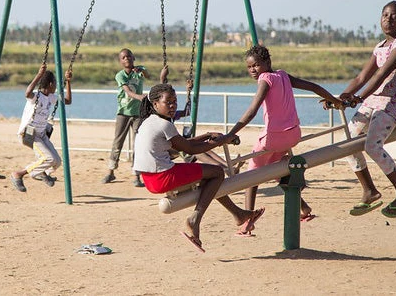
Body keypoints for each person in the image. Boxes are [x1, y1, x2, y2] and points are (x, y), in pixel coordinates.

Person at [214, 44, 341, 236]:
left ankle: (248, 220)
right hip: (293, 135)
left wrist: (230, 134)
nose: (253, 70)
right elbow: (313, 87)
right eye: (249, 67)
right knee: (278, 171)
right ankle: (304, 208)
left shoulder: (265, 79)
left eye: (256, 65)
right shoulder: (283, 75)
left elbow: (252, 110)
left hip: (273, 138)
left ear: (267, 62)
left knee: (251, 177)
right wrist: (335, 101)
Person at [133, 83, 265, 253]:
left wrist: (207, 136)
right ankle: (195, 219)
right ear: (155, 104)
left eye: (175, 101)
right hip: (164, 177)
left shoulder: (148, 122)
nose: (173, 106)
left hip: (150, 180)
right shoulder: (164, 125)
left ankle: (239, 215)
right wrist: (222, 140)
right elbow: (190, 149)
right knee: (217, 173)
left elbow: (181, 144)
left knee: (207, 181)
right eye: (168, 102)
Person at [338, 0, 396, 218]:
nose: (389, 19)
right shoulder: (379, 46)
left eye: (394, 16)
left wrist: (358, 97)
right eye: (385, 15)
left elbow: (381, 74)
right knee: (347, 142)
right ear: (380, 19)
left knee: (372, 145)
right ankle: (369, 190)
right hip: (373, 100)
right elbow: (362, 77)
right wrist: (342, 97)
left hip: (394, 101)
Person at [103, 48, 166, 187]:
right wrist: (140, 97)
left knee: (137, 143)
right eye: (124, 57)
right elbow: (127, 91)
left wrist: (141, 70)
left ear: (133, 58)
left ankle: (136, 174)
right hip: (123, 112)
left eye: (129, 56)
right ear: (120, 61)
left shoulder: (139, 71)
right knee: (118, 142)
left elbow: (148, 75)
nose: (127, 59)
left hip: (138, 113)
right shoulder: (120, 75)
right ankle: (111, 171)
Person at [10, 64, 72, 193]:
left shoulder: (51, 97)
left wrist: (68, 82)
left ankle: (41, 173)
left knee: (57, 161)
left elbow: (67, 101)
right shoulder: (36, 97)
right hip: (29, 134)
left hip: (41, 134)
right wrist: (39, 74)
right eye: (55, 83)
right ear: (50, 84)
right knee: (49, 158)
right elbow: (27, 93)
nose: (56, 86)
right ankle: (18, 174)